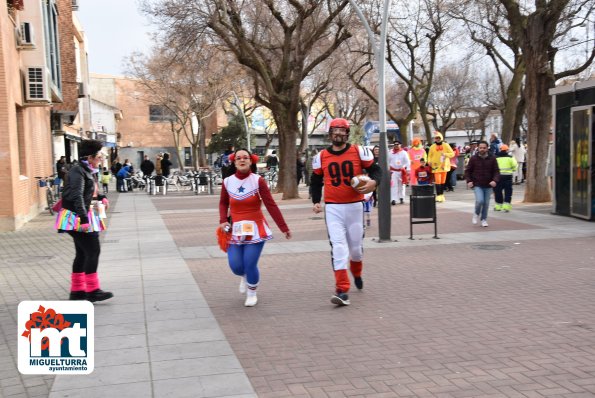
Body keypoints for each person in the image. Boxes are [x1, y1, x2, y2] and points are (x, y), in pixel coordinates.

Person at [310, 118, 381, 306]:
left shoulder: (359, 151)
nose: (338, 134)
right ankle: (342, 289)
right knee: (339, 247)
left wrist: (374, 182)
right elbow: (316, 179)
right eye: (335, 130)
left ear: (347, 133)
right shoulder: (321, 156)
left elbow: (376, 170)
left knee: (356, 250)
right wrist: (316, 201)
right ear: (330, 133)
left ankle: (356, 273)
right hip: (333, 207)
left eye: (342, 130)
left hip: (354, 206)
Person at [219, 149, 291, 307]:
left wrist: (283, 227)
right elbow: (223, 202)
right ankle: (244, 276)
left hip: (256, 228)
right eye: (238, 158)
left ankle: (252, 292)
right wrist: (223, 219)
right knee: (236, 266)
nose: (242, 160)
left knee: (250, 263)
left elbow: (270, 204)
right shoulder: (228, 181)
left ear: (251, 161)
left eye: (245, 157)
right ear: (234, 161)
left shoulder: (258, 180)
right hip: (235, 229)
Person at [56, 139, 113, 302]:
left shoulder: (88, 170)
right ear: (90, 157)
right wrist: (83, 219)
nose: (101, 159)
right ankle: (92, 290)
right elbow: (77, 195)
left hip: (84, 214)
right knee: (93, 250)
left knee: (82, 253)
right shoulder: (77, 171)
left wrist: (102, 197)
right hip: (76, 217)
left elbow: (90, 192)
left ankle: (78, 291)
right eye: (99, 156)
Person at [465, 140, 500, 227]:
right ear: (478, 148)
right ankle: (476, 213)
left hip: (488, 185)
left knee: (486, 203)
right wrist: (469, 181)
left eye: (484, 148)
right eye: (480, 148)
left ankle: (484, 219)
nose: (482, 149)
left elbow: (496, 171)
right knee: (480, 201)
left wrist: (495, 180)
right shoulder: (473, 158)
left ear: (487, 148)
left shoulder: (492, 158)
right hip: (477, 184)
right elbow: (468, 171)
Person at [427, 131, 455, 202]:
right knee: (438, 181)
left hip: (444, 166)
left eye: (439, 138)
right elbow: (429, 155)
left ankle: (442, 195)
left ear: (441, 138)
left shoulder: (446, 145)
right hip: (436, 166)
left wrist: (445, 154)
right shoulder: (432, 147)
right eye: (436, 138)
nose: (437, 139)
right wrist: (429, 161)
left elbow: (452, 154)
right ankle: (438, 195)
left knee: (443, 181)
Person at [494, 144, 517, 212]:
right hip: (508, 176)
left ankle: (498, 206)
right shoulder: (510, 157)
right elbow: (515, 165)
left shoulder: (496, 158)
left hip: (498, 177)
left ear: (500, 149)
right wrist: (512, 170)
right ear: (507, 150)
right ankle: (506, 206)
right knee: (508, 192)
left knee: (498, 191)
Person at [388, 140, 410, 205]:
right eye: (395, 144)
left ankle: (401, 197)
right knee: (393, 185)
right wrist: (388, 170)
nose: (396, 145)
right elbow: (388, 161)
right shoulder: (390, 152)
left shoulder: (404, 153)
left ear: (400, 145)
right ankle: (393, 199)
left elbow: (407, 162)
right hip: (393, 171)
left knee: (402, 185)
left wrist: (408, 169)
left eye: (398, 144)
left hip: (401, 171)